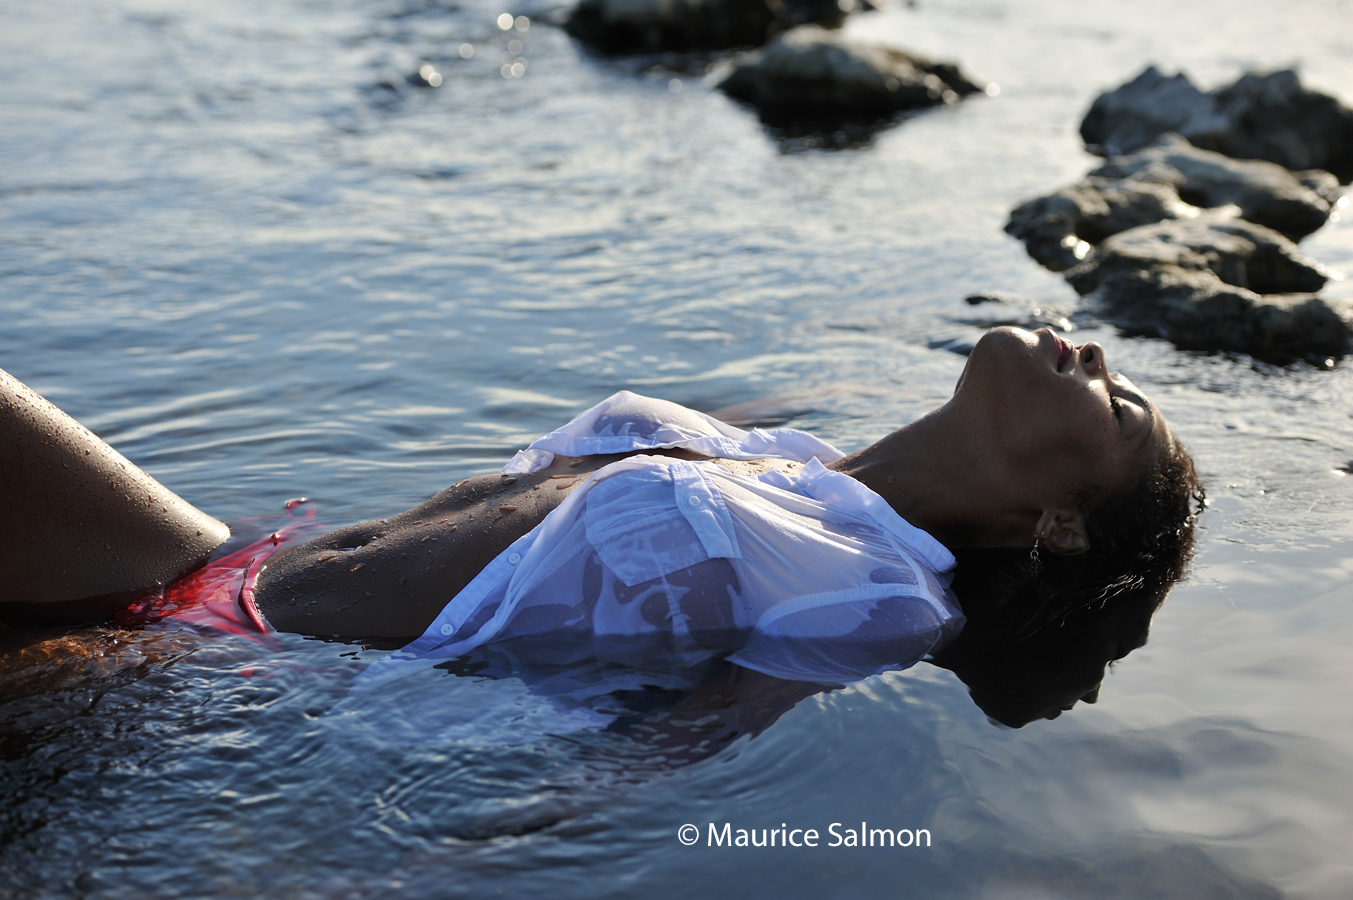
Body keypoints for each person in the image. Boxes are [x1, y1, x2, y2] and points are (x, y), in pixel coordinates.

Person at [0, 327, 1204, 708]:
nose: (1094, 356)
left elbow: (678, 753)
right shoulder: (777, 456)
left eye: (1121, 407)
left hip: (206, 675)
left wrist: (404, 867)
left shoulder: (883, 597)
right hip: (216, 559)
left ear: (1063, 525)